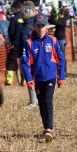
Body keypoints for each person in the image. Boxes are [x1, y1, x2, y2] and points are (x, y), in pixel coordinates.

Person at [21, 13, 65, 142]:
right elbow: (25, 63)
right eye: (38, 26)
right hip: (37, 78)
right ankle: (45, 127)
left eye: (43, 26)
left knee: (47, 100)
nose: (40, 29)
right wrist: (29, 80)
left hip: (51, 77)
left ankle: (49, 129)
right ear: (34, 26)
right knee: (41, 103)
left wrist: (61, 77)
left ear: (47, 27)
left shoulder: (53, 41)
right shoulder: (29, 43)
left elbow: (60, 60)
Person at [18, 6, 38, 109]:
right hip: (39, 55)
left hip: (27, 57)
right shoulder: (37, 26)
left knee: (29, 79)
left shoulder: (24, 29)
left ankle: (33, 101)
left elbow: (25, 44)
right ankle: (38, 100)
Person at [5, 2, 23, 86]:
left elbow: (11, 32)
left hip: (16, 44)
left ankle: (9, 81)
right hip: (25, 43)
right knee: (25, 61)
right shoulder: (25, 17)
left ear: (14, 9)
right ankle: (26, 81)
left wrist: (12, 41)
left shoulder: (14, 18)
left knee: (9, 61)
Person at [49, 8, 69, 74]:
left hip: (61, 40)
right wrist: (52, 15)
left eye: (59, 14)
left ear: (62, 14)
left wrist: (51, 15)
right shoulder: (60, 20)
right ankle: (61, 70)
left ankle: (63, 71)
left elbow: (54, 21)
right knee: (58, 55)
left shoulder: (63, 21)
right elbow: (52, 21)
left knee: (62, 56)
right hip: (58, 39)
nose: (58, 15)